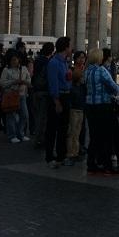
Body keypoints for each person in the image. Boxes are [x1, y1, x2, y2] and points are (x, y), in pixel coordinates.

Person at [85, 48, 119, 174]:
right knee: (105, 136)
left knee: (94, 136)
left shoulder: (87, 70)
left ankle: (91, 164)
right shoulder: (102, 70)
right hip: (103, 106)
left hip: (90, 106)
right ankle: (107, 166)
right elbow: (114, 87)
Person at [45, 37, 72, 167]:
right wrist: (57, 102)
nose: (71, 48)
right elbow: (53, 84)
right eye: (70, 46)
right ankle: (49, 157)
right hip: (57, 98)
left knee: (63, 128)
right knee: (52, 128)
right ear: (66, 47)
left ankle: (61, 156)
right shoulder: (54, 63)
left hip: (66, 97)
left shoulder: (64, 62)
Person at [0, 49, 31, 143]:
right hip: (11, 95)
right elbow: (2, 83)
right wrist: (14, 82)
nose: (15, 61)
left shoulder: (24, 69)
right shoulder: (6, 70)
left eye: (16, 59)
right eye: (13, 60)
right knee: (11, 116)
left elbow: (29, 80)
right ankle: (12, 135)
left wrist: (25, 82)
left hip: (22, 95)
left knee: (25, 115)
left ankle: (20, 133)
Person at [64, 51, 87, 165]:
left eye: (84, 57)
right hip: (75, 109)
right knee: (73, 131)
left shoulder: (84, 73)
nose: (82, 59)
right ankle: (71, 152)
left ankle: (77, 149)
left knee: (79, 130)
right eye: (80, 57)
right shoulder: (73, 72)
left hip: (81, 108)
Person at [32, 42, 54, 148]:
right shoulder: (48, 62)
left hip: (36, 90)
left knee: (38, 116)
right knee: (43, 116)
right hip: (44, 91)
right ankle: (40, 139)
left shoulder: (37, 60)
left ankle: (38, 137)